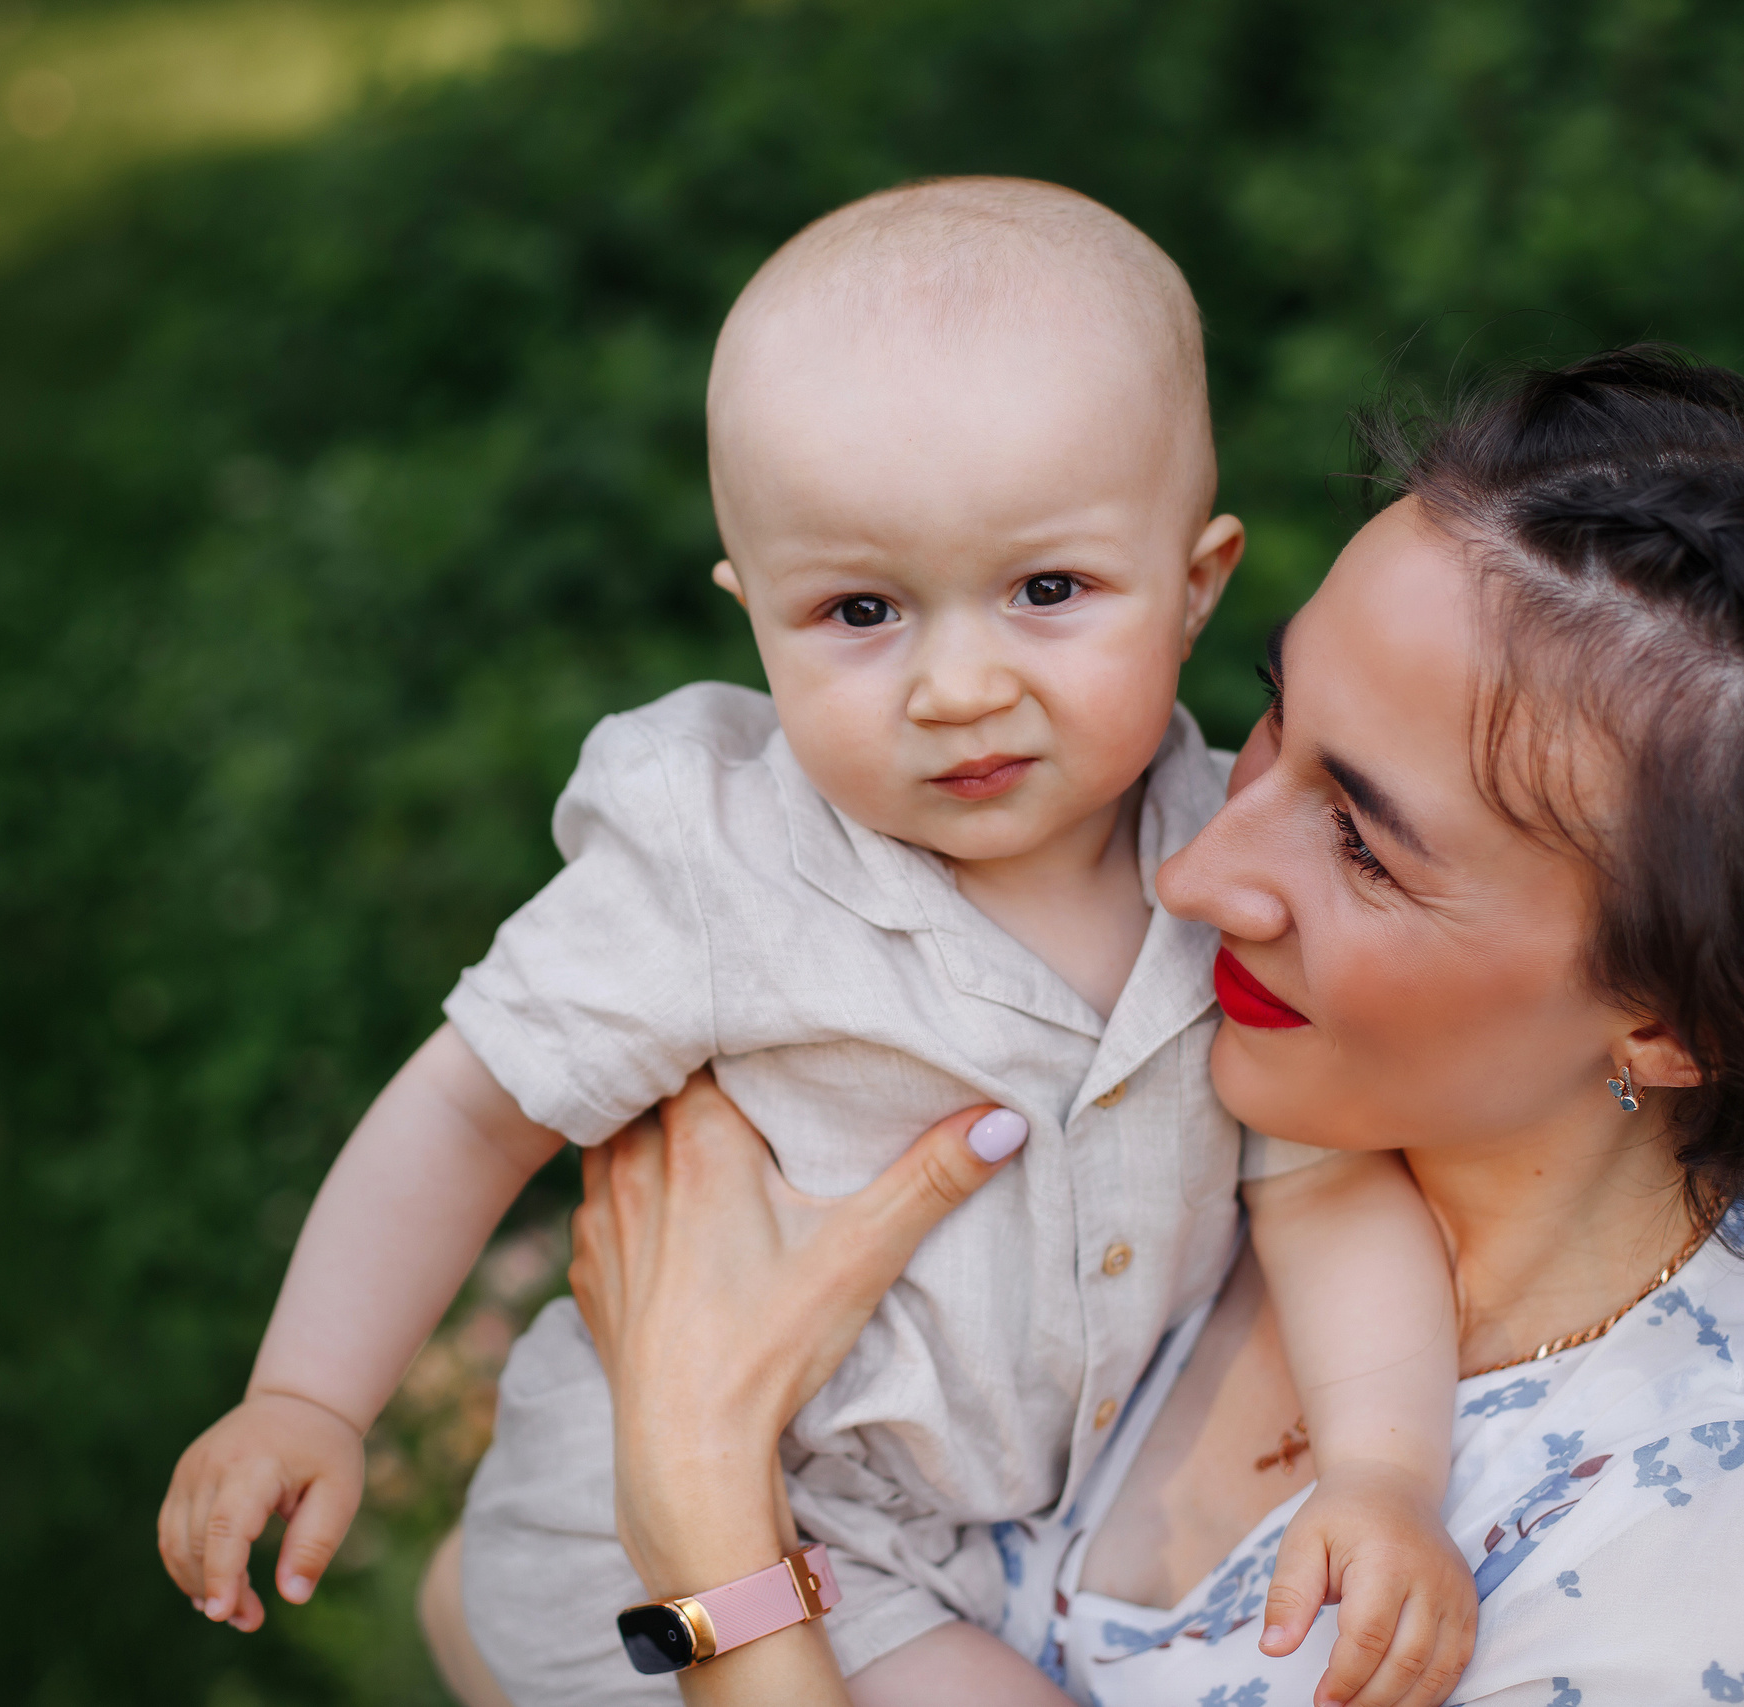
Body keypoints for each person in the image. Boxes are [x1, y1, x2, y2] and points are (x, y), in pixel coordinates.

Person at [158, 177, 1477, 1704]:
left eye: (1048, 591)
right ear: (753, 616)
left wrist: (1382, 1479)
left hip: (960, 1541)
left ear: (1195, 589)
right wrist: (310, 1395)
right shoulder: (720, 867)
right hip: (660, 1538)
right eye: (862, 612)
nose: (960, 685)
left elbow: (1322, 1197)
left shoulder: (1227, 874)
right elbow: (466, 1107)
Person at [555, 349, 1744, 1705]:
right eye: (1269, 720)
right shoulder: (1191, 1105)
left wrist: (707, 1529)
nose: (1193, 874)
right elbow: (464, 1602)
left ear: (1676, 1023)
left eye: (1364, 845)